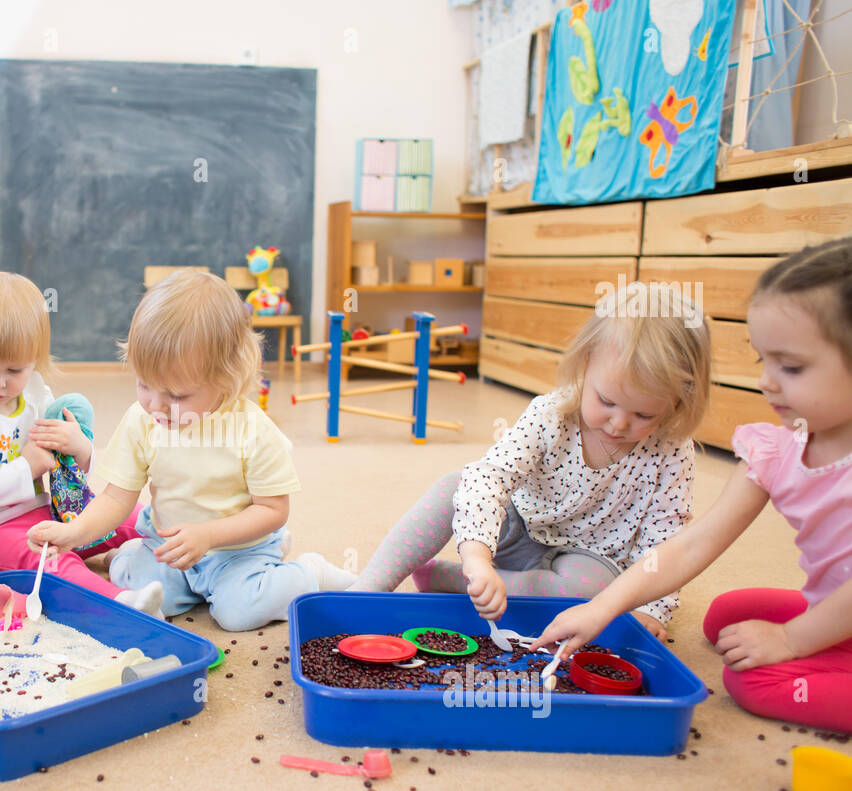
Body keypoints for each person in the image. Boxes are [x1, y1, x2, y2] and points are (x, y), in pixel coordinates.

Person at [536, 238, 852, 734]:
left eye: (790, 368)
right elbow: (691, 546)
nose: (768, 383)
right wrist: (604, 607)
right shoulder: (780, 448)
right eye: (761, 363)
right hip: (838, 605)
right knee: (727, 617)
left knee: (754, 681)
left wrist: (792, 641)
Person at [352, 279, 712, 639]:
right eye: (607, 401)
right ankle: (370, 586)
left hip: (588, 560)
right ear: (587, 365)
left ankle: (453, 579)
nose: (619, 424)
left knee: (594, 596)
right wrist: (477, 557)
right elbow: (489, 477)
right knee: (456, 484)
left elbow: (665, 539)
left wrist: (653, 610)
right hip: (519, 530)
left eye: (644, 415)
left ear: (679, 401)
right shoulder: (550, 415)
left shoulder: (673, 450)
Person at [27, 269, 355, 631]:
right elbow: (117, 499)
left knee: (236, 614)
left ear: (226, 379)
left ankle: (307, 573)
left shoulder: (253, 429)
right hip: (168, 546)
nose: (156, 405)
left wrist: (209, 536)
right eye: (144, 385)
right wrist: (75, 533)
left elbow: (273, 510)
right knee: (142, 591)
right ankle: (127, 558)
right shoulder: (142, 420)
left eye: (177, 395)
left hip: (238, 551)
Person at [0, 271, 163, 615]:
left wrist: (78, 447)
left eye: (13, 370)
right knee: (50, 560)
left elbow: (69, 475)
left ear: (35, 360)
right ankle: (122, 604)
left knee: (133, 517)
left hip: (48, 514)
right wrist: (28, 467)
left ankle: (204, 544)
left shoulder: (35, 391)